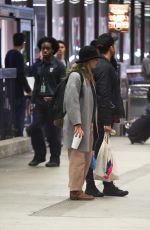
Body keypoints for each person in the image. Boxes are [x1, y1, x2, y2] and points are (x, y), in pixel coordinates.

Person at [86, 33, 129, 197]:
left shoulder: (103, 65)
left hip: (98, 115)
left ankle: (108, 184)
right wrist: (106, 120)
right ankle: (91, 185)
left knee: (102, 150)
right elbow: (103, 94)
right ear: (111, 47)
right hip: (100, 116)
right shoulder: (104, 67)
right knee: (96, 150)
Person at [63, 45, 99, 200]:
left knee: (85, 158)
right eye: (95, 59)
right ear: (88, 60)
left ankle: (79, 188)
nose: (97, 62)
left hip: (86, 125)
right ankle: (75, 191)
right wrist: (77, 123)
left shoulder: (87, 76)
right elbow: (71, 101)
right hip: (77, 127)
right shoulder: (76, 76)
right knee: (77, 159)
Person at [27, 37, 66, 167]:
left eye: (47, 48)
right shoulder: (37, 66)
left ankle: (55, 158)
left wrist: (54, 98)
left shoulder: (59, 66)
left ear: (52, 50)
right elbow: (36, 85)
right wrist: (31, 102)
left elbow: (62, 87)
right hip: (39, 101)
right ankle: (39, 155)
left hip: (53, 103)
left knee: (52, 133)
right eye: (43, 48)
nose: (44, 50)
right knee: (34, 128)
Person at [5, 32, 32, 137]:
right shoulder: (19, 56)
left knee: (13, 113)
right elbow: (20, 74)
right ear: (22, 43)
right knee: (20, 115)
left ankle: (13, 132)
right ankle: (19, 134)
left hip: (10, 89)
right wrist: (28, 89)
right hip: (18, 90)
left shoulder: (8, 54)